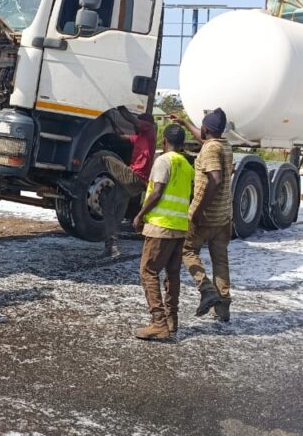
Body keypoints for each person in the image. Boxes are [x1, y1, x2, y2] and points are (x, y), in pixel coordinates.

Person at [131, 124, 193, 341]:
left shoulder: (163, 161)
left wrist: (140, 215)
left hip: (161, 226)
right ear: (183, 144)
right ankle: (171, 320)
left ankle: (159, 323)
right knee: (172, 274)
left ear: (164, 142)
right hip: (179, 227)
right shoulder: (186, 165)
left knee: (148, 271)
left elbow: (157, 191)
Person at [172, 108, 234, 322]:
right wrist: (184, 123)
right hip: (223, 217)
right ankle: (223, 306)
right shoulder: (224, 145)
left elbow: (214, 179)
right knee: (220, 260)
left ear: (206, 128)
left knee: (187, 250)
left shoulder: (209, 150)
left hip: (206, 216)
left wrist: (198, 211)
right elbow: (205, 141)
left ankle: (206, 289)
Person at [100, 107, 157, 259]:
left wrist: (119, 107)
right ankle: (111, 246)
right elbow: (120, 135)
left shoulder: (150, 129)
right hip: (134, 183)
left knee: (104, 157)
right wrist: (110, 119)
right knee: (107, 203)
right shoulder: (139, 138)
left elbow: (133, 120)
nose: (136, 126)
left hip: (135, 177)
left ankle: (77, 184)